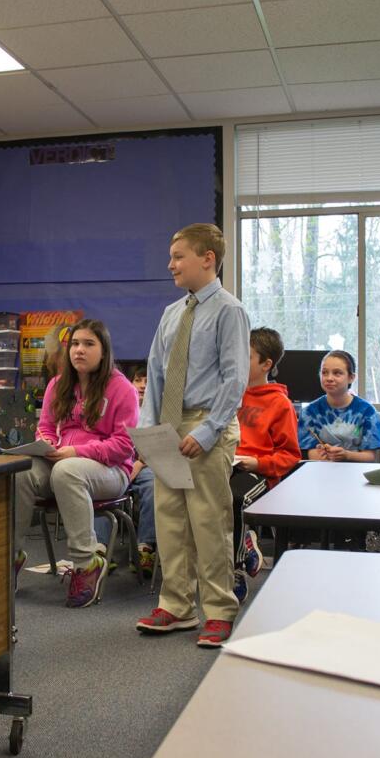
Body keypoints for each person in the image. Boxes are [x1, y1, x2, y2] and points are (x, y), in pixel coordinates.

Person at [135, 223, 249, 649]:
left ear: (207, 259)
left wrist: (207, 431)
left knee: (208, 520)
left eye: (179, 256)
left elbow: (234, 379)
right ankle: (177, 605)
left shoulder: (228, 310)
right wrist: (149, 433)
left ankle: (218, 610)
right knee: (169, 521)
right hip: (169, 423)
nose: (170, 264)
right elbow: (156, 375)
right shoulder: (171, 314)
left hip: (207, 424)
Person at [14, 320, 139, 607]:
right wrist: (47, 443)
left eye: (88, 344)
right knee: (19, 472)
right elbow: (44, 427)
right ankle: (12, 557)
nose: (79, 350)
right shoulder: (58, 385)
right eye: (75, 344)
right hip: (61, 461)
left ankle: (86, 565)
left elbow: (123, 447)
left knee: (67, 471)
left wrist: (75, 451)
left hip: (112, 470)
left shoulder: (123, 389)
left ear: (104, 350)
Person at [230, 327, 301, 602]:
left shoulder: (279, 403)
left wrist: (258, 463)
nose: (237, 361)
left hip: (259, 474)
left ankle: (236, 569)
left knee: (234, 499)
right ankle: (245, 547)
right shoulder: (231, 393)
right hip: (227, 465)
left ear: (266, 364)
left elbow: (290, 455)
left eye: (246, 357)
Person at [94, 364, 158, 576]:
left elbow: (158, 447)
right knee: (98, 488)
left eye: (147, 382)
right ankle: (100, 550)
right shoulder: (115, 408)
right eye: (138, 380)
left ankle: (145, 548)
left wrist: (138, 465)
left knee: (153, 486)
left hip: (144, 467)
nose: (142, 386)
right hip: (116, 466)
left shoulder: (155, 413)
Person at [298, 350, 380, 463]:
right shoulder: (309, 412)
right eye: (324, 372)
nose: (329, 378)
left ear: (351, 377)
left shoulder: (367, 412)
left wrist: (347, 455)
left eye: (337, 373)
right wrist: (324, 455)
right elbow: (309, 452)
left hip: (356, 473)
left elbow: (370, 456)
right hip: (321, 473)